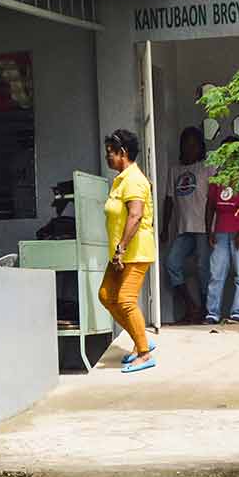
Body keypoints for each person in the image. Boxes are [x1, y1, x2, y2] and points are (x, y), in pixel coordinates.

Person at [97, 128, 157, 373]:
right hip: (119, 253)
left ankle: (144, 352)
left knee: (125, 300)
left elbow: (135, 215)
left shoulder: (134, 180)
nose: (107, 157)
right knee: (106, 295)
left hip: (134, 251)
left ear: (123, 153)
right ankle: (139, 337)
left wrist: (121, 249)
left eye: (110, 152)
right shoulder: (121, 178)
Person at [162, 127, 214, 325]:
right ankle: (192, 307)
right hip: (184, 228)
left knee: (203, 269)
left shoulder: (207, 167)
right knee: (172, 263)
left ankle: (206, 311)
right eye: (186, 144)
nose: (190, 148)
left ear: (201, 147)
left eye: (194, 144)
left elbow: (215, 196)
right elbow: (169, 200)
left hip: (203, 227)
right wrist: (165, 227)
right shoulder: (175, 170)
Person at [206, 140, 239, 325]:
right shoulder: (218, 176)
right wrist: (209, 230)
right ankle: (212, 314)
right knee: (216, 274)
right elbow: (210, 205)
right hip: (221, 231)